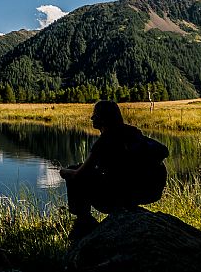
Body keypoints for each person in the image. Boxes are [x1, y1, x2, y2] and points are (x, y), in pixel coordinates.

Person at [59, 100, 165, 240]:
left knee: (73, 171)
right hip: (148, 192)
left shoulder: (104, 141)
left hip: (119, 196)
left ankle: (84, 221)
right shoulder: (132, 132)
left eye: (95, 115)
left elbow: (79, 174)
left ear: (103, 118)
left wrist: (64, 172)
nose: (92, 118)